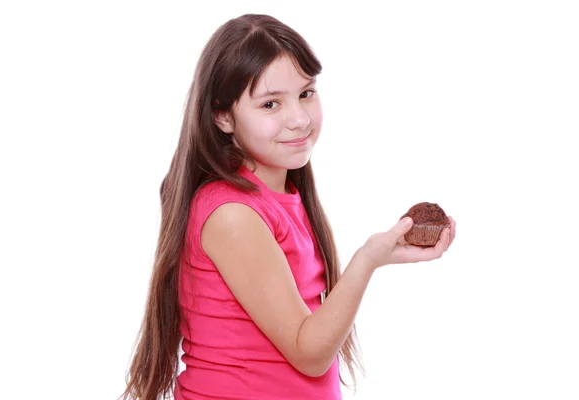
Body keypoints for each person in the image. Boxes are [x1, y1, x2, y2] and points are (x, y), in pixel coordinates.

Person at [121, 13, 456, 400]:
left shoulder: (284, 195)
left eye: (306, 93)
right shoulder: (233, 215)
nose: (298, 119)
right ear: (223, 116)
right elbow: (309, 353)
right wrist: (368, 259)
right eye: (269, 105)